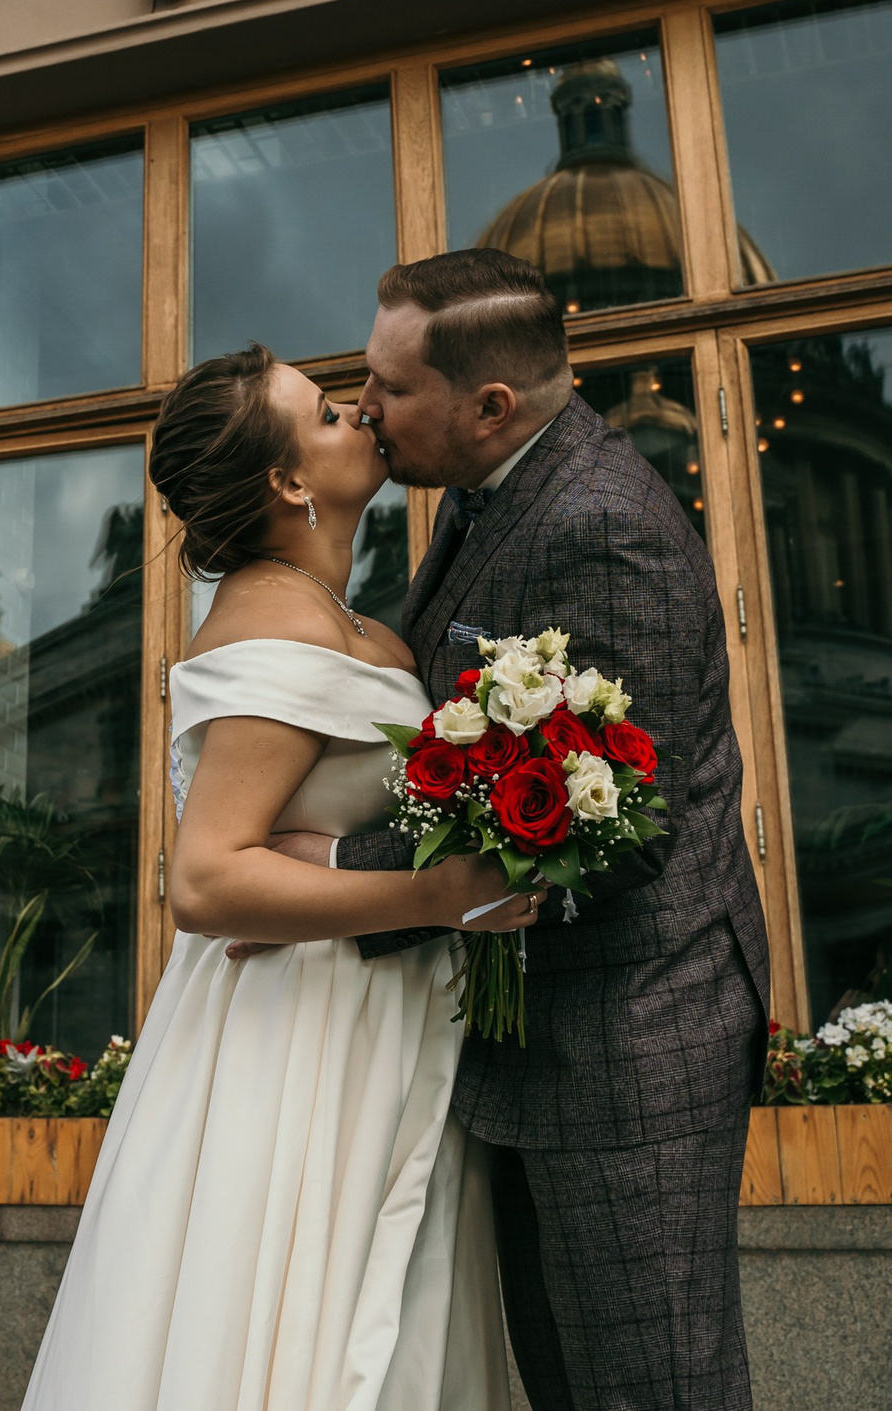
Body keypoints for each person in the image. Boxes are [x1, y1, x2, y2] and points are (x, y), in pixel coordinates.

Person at [22, 344, 544, 1411]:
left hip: (384, 1012)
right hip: (300, 1024)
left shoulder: (358, 623)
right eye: (325, 413)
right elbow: (207, 882)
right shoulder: (271, 617)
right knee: (296, 1318)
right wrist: (438, 897)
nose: (359, 412)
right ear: (289, 479)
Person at [318, 246, 771, 1411]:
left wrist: (330, 876)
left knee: (651, 1390)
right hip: (538, 1040)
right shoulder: (486, 492)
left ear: (489, 405)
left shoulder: (599, 525)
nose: (364, 408)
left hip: (628, 1042)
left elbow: (621, 829)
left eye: (389, 387)